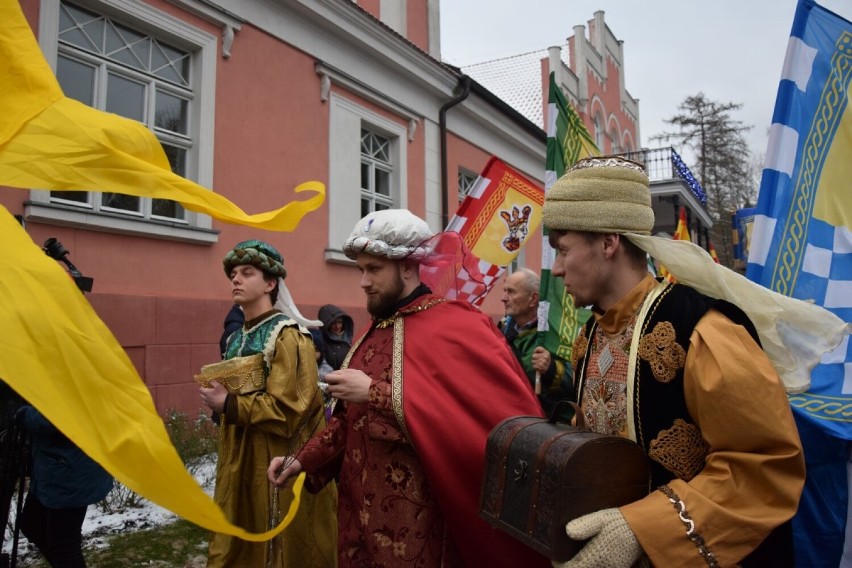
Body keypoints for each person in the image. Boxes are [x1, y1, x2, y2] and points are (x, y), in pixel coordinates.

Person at [542, 156, 806, 567]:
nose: (556, 269)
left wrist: (644, 528)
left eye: (562, 250)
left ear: (608, 243)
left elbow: (764, 468)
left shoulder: (704, 332)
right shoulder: (588, 336)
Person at [268, 209, 550, 568]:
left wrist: (374, 393)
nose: (364, 281)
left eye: (374, 270)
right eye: (361, 270)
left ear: (407, 266)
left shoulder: (458, 325)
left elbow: (470, 424)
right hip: (359, 524)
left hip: (423, 530)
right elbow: (346, 424)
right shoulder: (371, 333)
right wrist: (300, 460)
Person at [198, 239, 336, 568]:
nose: (236, 278)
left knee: (276, 544)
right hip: (239, 458)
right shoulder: (236, 338)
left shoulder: (288, 336)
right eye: (233, 273)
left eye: (247, 272)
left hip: (277, 458)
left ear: (271, 283)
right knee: (239, 535)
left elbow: (290, 410)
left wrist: (228, 403)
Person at [16, 404, 113, 568]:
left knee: (63, 547)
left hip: (70, 470)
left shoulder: (81, 378)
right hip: (53, 465)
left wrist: (23, 413)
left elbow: (58, 414)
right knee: (32, 525)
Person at [500, 267, 573, 415]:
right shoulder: (500, 332)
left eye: (511, 291)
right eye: (504, 291)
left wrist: (551, 369)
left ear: (533, 299)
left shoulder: (555, 332)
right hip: (514, 420)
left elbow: (577, 381)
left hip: (550, 424)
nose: (503, 298)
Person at [317, 304, 353, 371]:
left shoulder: (348, 340)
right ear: (327, 324)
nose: (337, 326)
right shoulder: (322, 342)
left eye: (340, 322)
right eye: (333, 323)